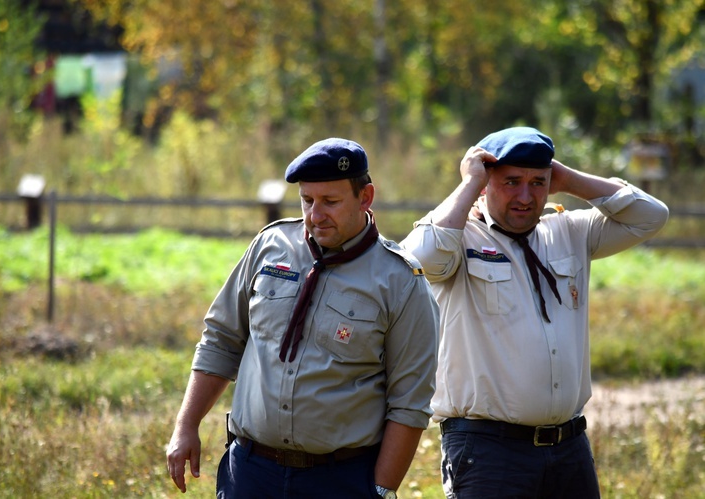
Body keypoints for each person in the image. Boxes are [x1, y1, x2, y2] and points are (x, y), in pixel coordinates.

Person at [400, 126, 669, 499]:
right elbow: (415, 258)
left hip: (569, 448)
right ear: (485, 183)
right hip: (488, 451)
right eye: (511, 181)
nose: (525, 197)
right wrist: (468, 185)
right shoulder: (460, 239)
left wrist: (569, 180)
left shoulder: (569, 231)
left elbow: (651, 215)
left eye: (537, 183)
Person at [166, 137, 440, 498]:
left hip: (339, 480)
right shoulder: (270, 246)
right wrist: (186, 425)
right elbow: (222, 339)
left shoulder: (400, 281)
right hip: (251, 472)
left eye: (331, 201)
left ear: (366, 197)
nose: (315, 215)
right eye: (307, 200)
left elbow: (409, 401)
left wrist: (380, 490)